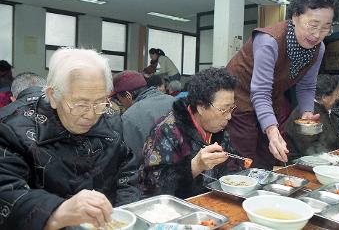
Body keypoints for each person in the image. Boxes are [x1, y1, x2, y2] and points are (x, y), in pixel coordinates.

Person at [0, 48, 140, 230]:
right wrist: (56, 212)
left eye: (99, 102)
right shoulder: (12, 127)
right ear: (53, 96)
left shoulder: (110, 118)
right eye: (80, 104)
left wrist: (123, 216)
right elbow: (6, 190)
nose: (90, 115)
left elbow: (127, 172)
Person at [226, 0, 339, 169]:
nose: (317, 34)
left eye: (326, 28)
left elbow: (307, 86)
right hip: (238, 98)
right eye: (313, 25)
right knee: (243, 157)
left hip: (269, 101)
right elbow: (260, 91)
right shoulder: (269, 41)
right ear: (295, 16)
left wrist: (306, 112)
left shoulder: (319, 49)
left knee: (268, 156)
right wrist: (271, 131)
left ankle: (263, 196)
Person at [140, 68, 240, 198]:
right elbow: (151, 187)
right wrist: (195, 166)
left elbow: (232, 165)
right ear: (201, 107)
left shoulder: (218, 128)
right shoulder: (167, 131)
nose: (229, 116)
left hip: (213, 201)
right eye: (224, 109)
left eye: (231, 108)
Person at [112, 70, 175, 162]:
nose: (120, 103)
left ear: (128, 95)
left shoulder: (129, 117)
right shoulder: (174, 101)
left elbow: (133, 160)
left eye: (119, 100)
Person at [285, 75, 339, 160]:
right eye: (335, 95)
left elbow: (334, 139)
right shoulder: (306, 114)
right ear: (324, 97)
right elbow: (308, 149)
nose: (337, 99)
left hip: (324, 157)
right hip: (300, 163)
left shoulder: (325, 109)